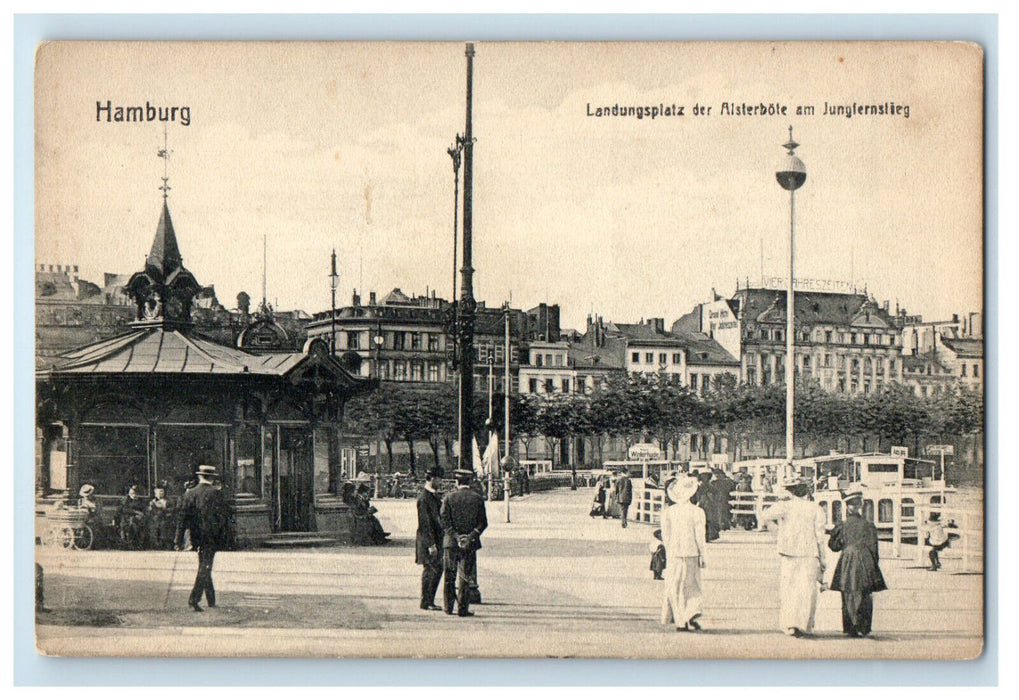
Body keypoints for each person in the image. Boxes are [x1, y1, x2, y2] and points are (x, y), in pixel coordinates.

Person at [759, 476, 827, 637]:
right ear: (805, 491)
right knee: (807, 590)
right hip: (810, 553)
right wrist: (823, 560)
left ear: (790, 491)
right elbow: (820, 536)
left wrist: (779, 531)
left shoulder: (784, 506)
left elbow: (763, 515)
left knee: (789, 589)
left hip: (788, 552)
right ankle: (805, 624)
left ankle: (790, 624)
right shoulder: (816, 508)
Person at [827, 491, 887, 637]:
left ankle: (850, 627)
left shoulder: (842, 525)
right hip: (866, 559)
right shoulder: (869, 525)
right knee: (865, 593)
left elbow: (833, 546)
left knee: (848, 592)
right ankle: (864, 627)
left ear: (847, 507)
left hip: (848, 559)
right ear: (860, 506)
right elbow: (874, 548)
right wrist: (873, 565)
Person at [174, 465, 233, 612]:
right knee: (205, 566)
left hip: (197, 536)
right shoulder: (217, 494)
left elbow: (182, 519)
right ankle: (194, 598)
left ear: (199, 477)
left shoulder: (190, 493)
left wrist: (178, 540)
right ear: (212, 478)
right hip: (212, 536)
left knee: (204, 564)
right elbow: (225, 518)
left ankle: (211, 598)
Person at [660, 475, 707, 631]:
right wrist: (703, 555)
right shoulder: (697, 511)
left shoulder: (668, 512)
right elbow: (700, 537)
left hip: (674, 552)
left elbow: (665, 535)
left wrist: (668, 551)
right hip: (691, 552)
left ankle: (680, 619)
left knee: (675, 585)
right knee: (691, 585)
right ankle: (690, 612)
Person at [439, 469, 488, 617]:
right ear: (470, 482)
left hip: (451, 543)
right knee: (465, 576)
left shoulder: (448, 498)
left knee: (449, 574)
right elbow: (483, 523)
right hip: (470, 544)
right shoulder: (477, 499)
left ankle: (448, 607)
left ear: (456, 482)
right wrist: (470, 536)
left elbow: (443, 521)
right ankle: (463, 608)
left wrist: (456, 536)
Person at [415, 467, 445, 611]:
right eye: (439, 479)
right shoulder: (424, 498)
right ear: (432, 479)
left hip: (434, 540)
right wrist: (431, 544)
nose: (441, 482)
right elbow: (424, 523)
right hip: (428, 541)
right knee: (430, 570)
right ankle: (426, 601)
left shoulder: (431, 496)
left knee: (436, 569)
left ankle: (429, 600)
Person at [116, 484, 149, 549]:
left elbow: (144, 510)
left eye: (134, 493)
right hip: (127, 518)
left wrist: (140, 514)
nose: (133, 495)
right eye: (131, 493)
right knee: (129, 524)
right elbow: (123, 509)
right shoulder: (126, 500)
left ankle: (136, 543)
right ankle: (127, 543)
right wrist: (135, 512)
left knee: (136, 525)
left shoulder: (141, 501)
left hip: (138, 519)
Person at [147, 485, 173, 550]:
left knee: (164, 527)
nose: (161, 493)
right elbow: (149, 511)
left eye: (162, 492)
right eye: (159, 491)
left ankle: (164, 545)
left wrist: (164, 508)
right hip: (154, 519)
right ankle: (155, 545)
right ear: (155, 492)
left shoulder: (167, 501)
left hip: (165, 519)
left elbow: (172, 509)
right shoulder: (151, 501)